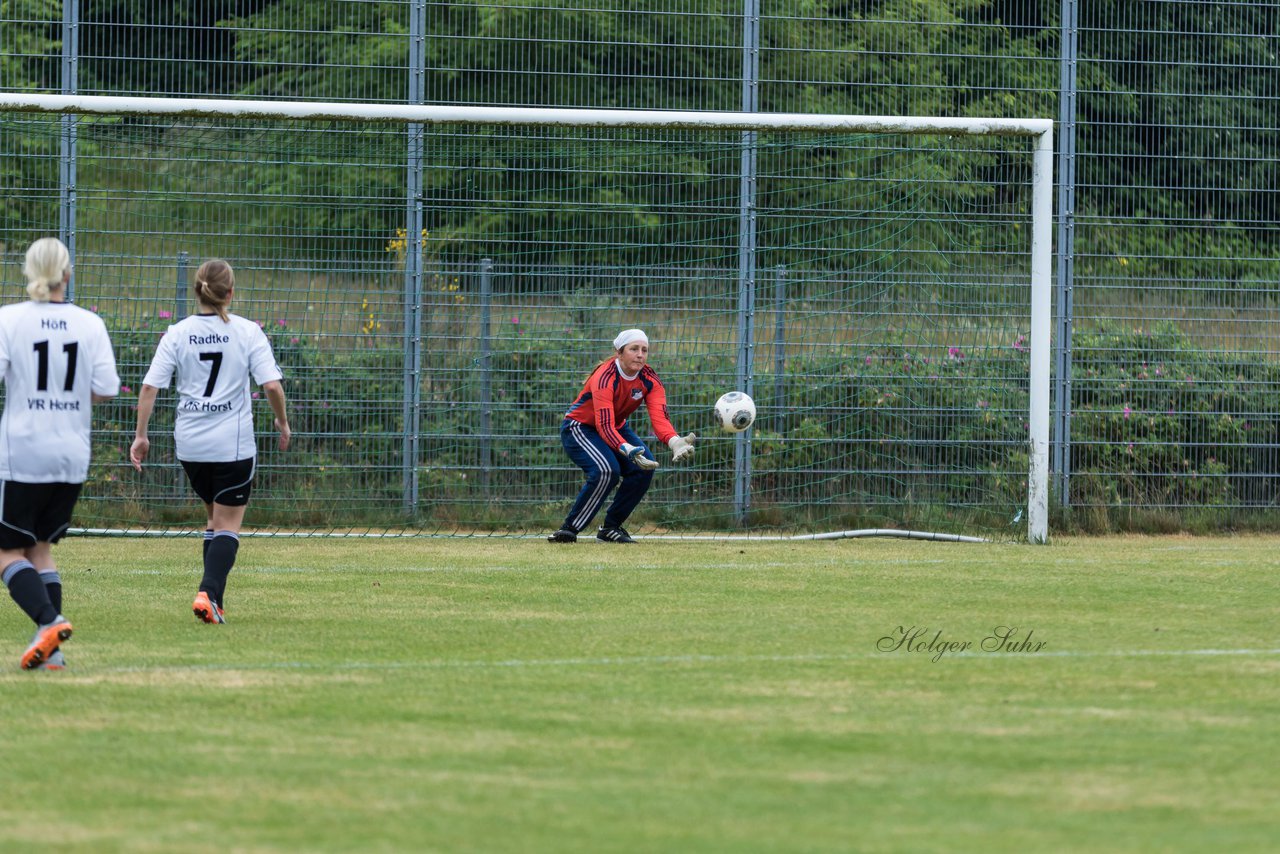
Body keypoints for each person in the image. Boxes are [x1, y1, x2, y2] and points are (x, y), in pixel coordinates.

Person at [129, 259, 291, 624]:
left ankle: (215, 601)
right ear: (230, 293)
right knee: (228, 525)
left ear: (197, 291)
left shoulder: (177, 332)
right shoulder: (247, 331)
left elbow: (150, 386)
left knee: (214, 521)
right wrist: (282, 422)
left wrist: (141, 435)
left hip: (191, 446)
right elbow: (270, 385)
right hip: (231, 446)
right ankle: (207, 591)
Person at [1, 237, 120, 670]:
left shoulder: (9, 319)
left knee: (6, 552)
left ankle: (50, 621)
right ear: (67, 274)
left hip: (23, 451)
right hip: (71, 453)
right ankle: (54, 651)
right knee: (41, 550)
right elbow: (106, 388)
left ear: (29, 272)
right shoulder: (89, 324)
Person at [548, 328, 695, 544]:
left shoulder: (650, 379)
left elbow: (659, 417)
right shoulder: (605, 376)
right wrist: (625, 448)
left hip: (615, 428)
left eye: (644, 350)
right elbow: (603, 424)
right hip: (580, 427)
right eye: (634, 349)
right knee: (606, 471)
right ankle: (569, 530)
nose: (640, 354)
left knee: (642, 471)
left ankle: (610, 528)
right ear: (619, 352)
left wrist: (675, 441)